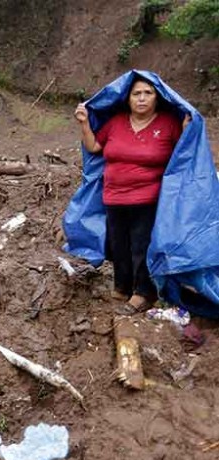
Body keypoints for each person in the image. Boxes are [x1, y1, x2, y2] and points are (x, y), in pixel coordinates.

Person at [74, 77, 190, 315]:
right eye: (136, 93)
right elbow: (95, 147)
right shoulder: (116, 123)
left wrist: (189, 131)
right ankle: (122, 287)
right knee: (118, 246)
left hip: (148, 200)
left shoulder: (168, 124)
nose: (142, 98)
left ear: (157, 97)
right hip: (114, 198)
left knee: (141, 246)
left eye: (148, 93)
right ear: (127, 98)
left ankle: (143, 293)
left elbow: (184, 155)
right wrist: (85, 124)